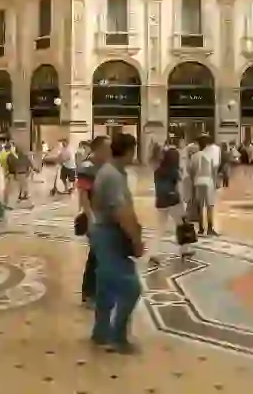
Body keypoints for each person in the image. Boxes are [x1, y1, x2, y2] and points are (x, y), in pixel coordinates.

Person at [89, 133, 144, 353]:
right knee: (131, 287)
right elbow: (122, 213)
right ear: (130, 151)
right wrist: (136, 240)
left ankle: (100, 332)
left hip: (104, 233)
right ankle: (117, 336)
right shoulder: (112, 175)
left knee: (105, 287)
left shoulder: (110, 172)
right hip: (110, 235)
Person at [77, 137, 106, 307]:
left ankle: (96, 292)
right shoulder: (87, 168)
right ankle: (88, 294)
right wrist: (91, 218)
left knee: (100, 255)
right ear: (99, 149)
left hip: (104, 216)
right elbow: (83, 196)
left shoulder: (103, 166)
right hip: (94, 218)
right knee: (95, 255)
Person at [150, 147, 191, 262]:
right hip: (173, 200)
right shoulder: (175, 171)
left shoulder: (158, 170)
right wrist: (183, 204)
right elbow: (179, 187)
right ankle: (185, 249)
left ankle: (153, 252)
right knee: (182, 224)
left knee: (160, 228)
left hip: (160, 201)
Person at [188, 135, 221, 236]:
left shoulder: (194, 156)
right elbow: (214, 170)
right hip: (208, 181)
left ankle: (201, 228)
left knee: (200, 206)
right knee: (210, 206)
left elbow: (191, 171)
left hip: (198, 182)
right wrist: (216, 182)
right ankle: (210, 228)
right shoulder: (210, 155)